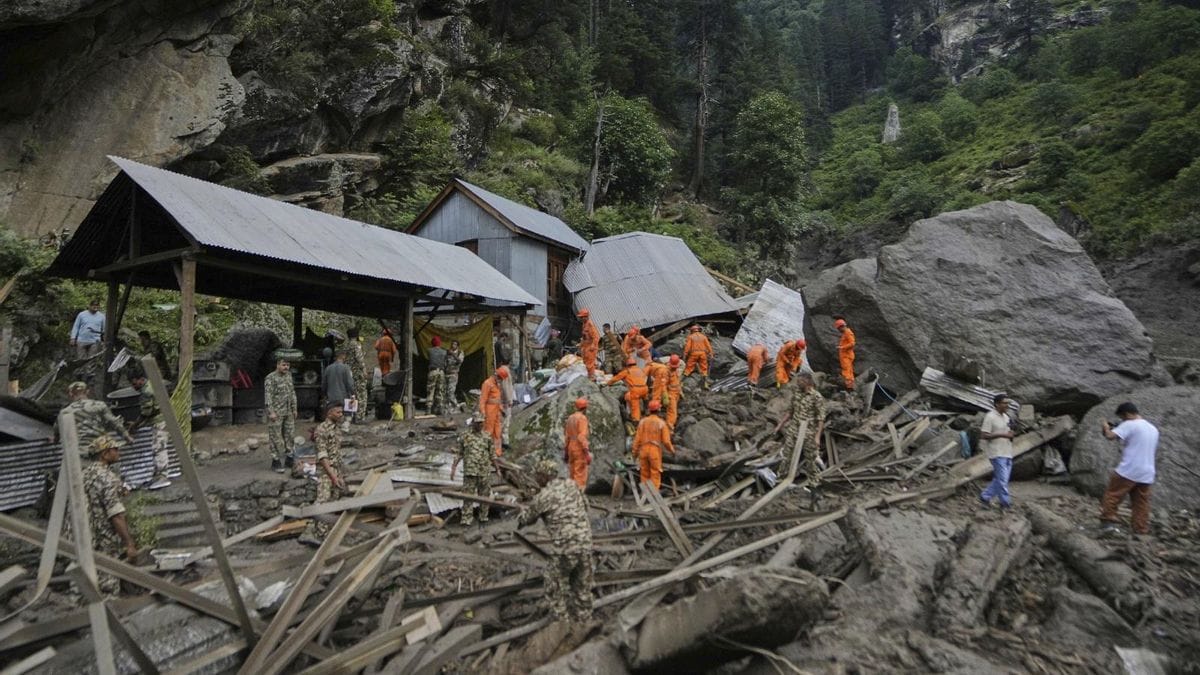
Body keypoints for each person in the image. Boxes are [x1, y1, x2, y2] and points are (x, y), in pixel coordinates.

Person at [517, 459, 593, 621]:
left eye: (537, 475)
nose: (535, 479)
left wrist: (521, 512)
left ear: (544, 476)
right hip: (585, 543)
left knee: (554, 584)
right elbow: (586, 507)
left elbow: (525, 520)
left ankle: (562, 623)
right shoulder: (572, 485)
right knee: (582, 586)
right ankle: (585, 620)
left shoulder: (544, 496)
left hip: (565, 547)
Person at [76, 436, 139, 594]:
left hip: (83, 538)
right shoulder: (107, 478)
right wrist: (129, 544)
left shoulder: (84, 474)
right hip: (103, 541)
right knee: (107, 586)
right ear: (104, 454)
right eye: (115, 449)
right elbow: (116, 515)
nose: (118, 452)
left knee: (83, 584)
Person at [1099, 402, 1159, 535]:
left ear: (1126, 414)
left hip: (1129, 469)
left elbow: (1110, 436)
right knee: (1141, 503)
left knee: (1113, 495)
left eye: (1122, 417)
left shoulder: (1129, 424)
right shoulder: (1152, 428)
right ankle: (1140, 529)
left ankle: (1108, 523)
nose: (1122, 421)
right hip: (1147, 472)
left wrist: (1105, 427)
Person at [302, 402, 347, 543]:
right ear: (329, 413)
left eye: (341, 412)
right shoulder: (321, 430)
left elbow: (337, 453)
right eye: (338, 412)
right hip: (326, 471)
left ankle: (326, 533)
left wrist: (339, 474)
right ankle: (319, 534)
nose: (341, 415)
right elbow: (323, 456)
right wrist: (332, 476)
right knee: (323, 500)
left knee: (334, 501)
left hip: (336, 469)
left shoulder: (336, 429)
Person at [56, 381, 134, 451]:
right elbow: (113, 422)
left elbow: (57, 430)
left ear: (71, 394)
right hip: (99, 446)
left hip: (78, 449)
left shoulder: (65, 412)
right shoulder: (99, 405)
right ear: (87, 391)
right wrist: (127, 437)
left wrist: (55, 439)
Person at [778, 372, 827, 485]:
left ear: (807, 382)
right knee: (786, 456)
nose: (797, 383)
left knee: (811, 459)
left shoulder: (816, 397)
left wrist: (817, 437)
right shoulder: (797, 394)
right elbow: (790, 411)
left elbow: (821, 418)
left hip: (808, 433)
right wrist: (780, 425)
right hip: (793, 430)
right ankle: (780, 480)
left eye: (800, 381)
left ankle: (814, 482)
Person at [451, 418, 495, 526]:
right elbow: (459, 453)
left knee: (484, 496)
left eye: (481, 423)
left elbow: (492, 455)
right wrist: (453, 468)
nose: (480, 425)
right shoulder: (465, 437)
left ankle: (483, 517)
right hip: (470, 472)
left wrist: (497, 469)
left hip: (484, 472)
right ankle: (466, 519)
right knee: (467, 496)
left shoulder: (487, 436)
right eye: (478, 423)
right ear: (473, 423)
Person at [130, 372, 170, 490]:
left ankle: (163, 476)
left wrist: (134, 426)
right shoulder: (154, 384)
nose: (134, 387)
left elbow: (146, 413)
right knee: (158, 447)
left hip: (160, 422)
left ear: (141, 379)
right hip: (165, 418)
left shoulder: (146, 392)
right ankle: (158, 475)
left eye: (135, 383)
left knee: (159, 448)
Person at [978, 395, 1015, 509]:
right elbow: (984, 435)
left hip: (1007, 451)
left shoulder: (1006, 417)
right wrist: (1002, 435)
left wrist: (1011, 434)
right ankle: (1005, 503)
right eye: (1004, 403)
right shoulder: (990, 417)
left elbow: (1008, 433)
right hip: (996, 452)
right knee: (1002, 480)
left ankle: (985, 497)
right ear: (997, 404)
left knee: (1001, 479)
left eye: (1008, 403)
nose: (1007, 406)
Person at [264, 358, 297, 474]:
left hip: (288, 412)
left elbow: (292, 392)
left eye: (287, 365)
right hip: (276, 412)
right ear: (278, 365)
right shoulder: (271, 378)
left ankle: (289, 457)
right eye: (284, 365)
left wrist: (294, 408)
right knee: (275, 437)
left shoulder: (289, 376)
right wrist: (271, 412)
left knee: (290, 435)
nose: (286, 367)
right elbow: (268, 396)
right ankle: (276, 460)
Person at [633, 400, 674, 490]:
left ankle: (645, 494)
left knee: (644, 473)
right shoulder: (661, 423)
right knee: (655, 473)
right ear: (659, 410)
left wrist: (634, 454)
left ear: (649, 410)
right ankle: (654, 494)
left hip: (643, 450)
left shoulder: (642, 422)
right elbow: (666, 442)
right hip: (654, 452)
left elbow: (637, 441)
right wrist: (672, 451)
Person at [608, 358, 649, 425]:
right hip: (645, 388)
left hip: (636, 390)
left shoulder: (627, 371)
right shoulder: (640, 370)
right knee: (644, 398)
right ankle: (646, 409)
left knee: (635, 406)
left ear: (627, 365)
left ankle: (636, 421)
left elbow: (616, 378)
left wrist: (607, 383)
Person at [479, 366, 508, 456]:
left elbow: (498, 398)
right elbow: (483, 399)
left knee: (497, 432)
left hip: (497, 411)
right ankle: (486, 451)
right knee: (488, 431)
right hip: (489, 411)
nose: (501, 380)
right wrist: (483, 412)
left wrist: (502, 409)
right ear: (496, 375)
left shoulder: (497, 384)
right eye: (500, 378)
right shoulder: (487, 383)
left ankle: (497, 452)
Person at [321, 350, 355, 428]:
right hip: (344, 398)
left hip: (331, 398)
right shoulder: (346, 368)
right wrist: (353, 394)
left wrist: (324, 395)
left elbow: (324, 385)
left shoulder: (328, 368)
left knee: (333, 417)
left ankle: (333, 430)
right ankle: (345, 429)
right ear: (343, 356)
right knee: (346, 417)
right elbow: (350, 384)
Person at [564, 398, 592, 489]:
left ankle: (572, 493)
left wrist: (566, 452)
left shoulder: (570, 418)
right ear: (585, 408)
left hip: (571, 448)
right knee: (580, 474)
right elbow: (581, 437)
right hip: (579, 449)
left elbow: (567, 437)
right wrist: (586, 453)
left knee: (572, 473)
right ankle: (579, 494)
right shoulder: (582, 418)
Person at [346, 327, 369, 422]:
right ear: (356, 335)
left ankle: (351, 416)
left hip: (349, 373)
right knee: (362, 395)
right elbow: (359, 359)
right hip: (358, 374)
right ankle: (360, 418)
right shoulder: (356, 345)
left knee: (352, 395)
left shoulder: (347, 345)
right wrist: (364, 370)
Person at [427, 336, 448, 415]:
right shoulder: (444, 352)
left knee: (430, 390)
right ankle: (440, 408)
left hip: (433, 371)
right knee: (440, 390)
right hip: (441, 372)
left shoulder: (429, 350)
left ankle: (428, 409)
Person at [577, 309, 600, 377]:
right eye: (580, 317)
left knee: (590, 363)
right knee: (585, 362)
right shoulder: (584, 325)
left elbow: (596, 337)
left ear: (586, 317)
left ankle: (591, 377)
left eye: (582, 317)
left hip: (590, 347)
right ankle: (589, 375)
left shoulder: (590, 325)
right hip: (586, 346)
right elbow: (584, 337)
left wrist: (593, 345)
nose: (581, 319)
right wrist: (581, 344)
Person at [835, 318, 856, 390]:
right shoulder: (845, 333)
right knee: (849, 371)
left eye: (838, 328)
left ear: (841, 327)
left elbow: (852, 343)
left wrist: (842, 347)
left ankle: (848, 387)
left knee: (846, 371)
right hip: (845, 356)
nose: (838, 330)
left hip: (846, 356)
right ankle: (851, 385)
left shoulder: (848, 333)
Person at [445, 339, 464, 409]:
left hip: (453, 374)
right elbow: (445, 362)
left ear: (457, 346)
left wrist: (453, 354)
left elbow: (460, 361)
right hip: (447, 373)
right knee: (445, 392)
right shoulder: (448, 353)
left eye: (455, 344)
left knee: (450, 392)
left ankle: (456, 405)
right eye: (452, 344)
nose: (453, 346)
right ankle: (448, 407)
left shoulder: (460, 352)